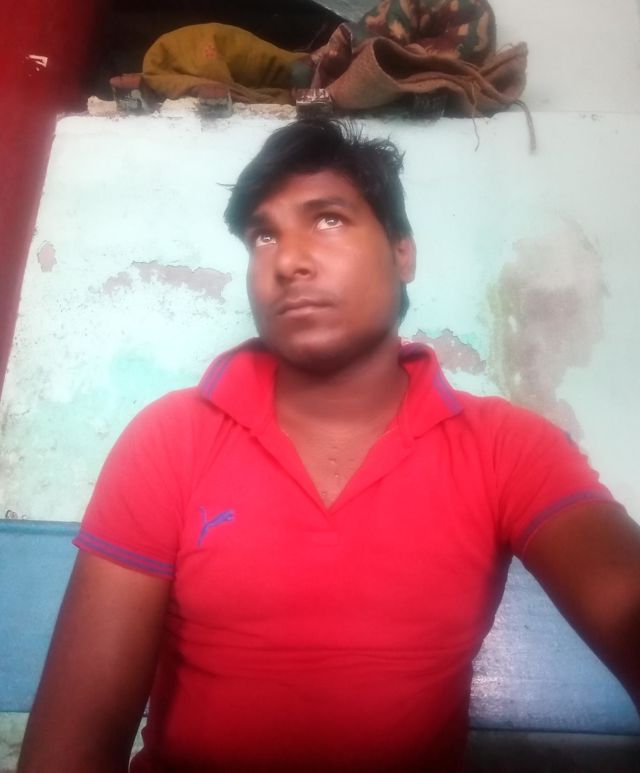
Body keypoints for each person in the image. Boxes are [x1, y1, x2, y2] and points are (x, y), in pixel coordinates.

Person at [18, 120, 640, 773]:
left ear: (403, 253)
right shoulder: (171, 439)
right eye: (264, 235)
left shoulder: (504, 448)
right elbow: (72, 746)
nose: (288, 261)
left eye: (329, 219)